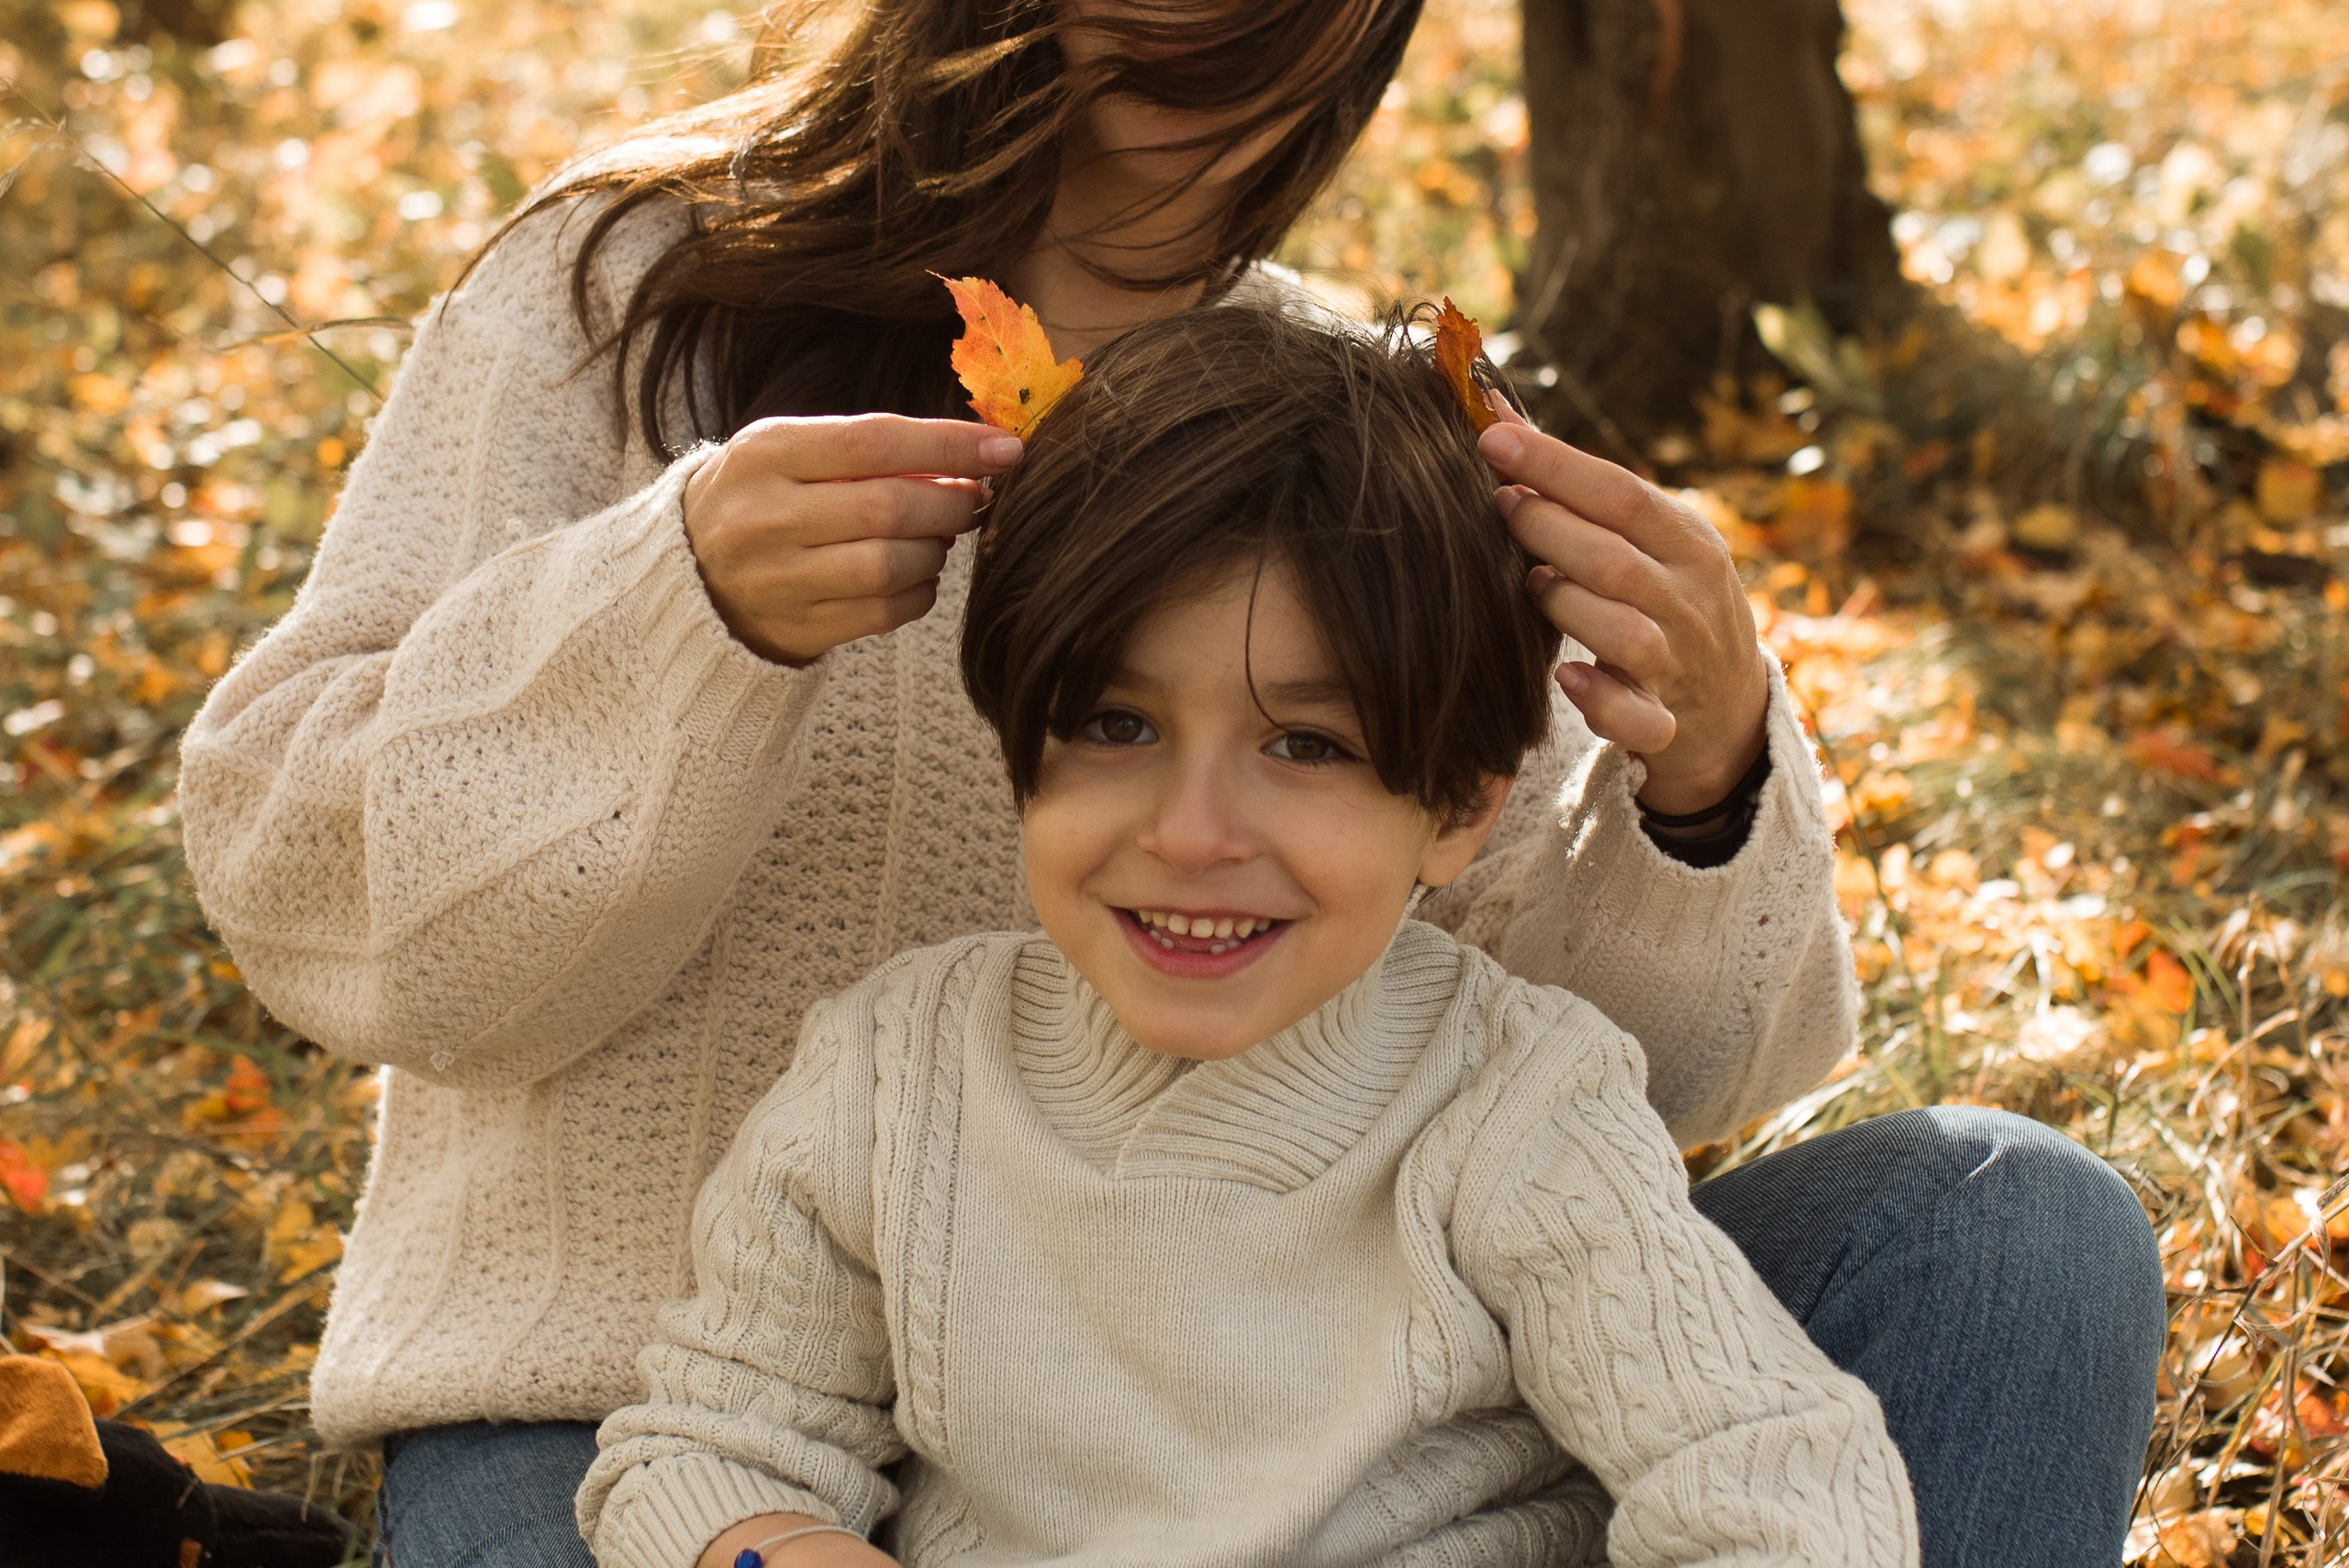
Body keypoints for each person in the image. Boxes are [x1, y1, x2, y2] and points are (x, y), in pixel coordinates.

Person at [173, 0, 2162, 1561]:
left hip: (1293, 1436)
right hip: (642, 1420)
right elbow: (316, 910)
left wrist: (1702, 775)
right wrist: (669, 613)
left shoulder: (1350, 437)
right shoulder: (627, 294)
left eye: (1289, 743)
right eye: (1115, 724)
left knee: (2004, 1228)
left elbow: (1616, 1087)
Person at [577, 304, 1920, 1568]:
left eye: (1306, 744)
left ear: (1456, 807)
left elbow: (1768, 1477)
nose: (1195, 827)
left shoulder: (1517, 1105)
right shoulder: (890, 1077)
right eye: (1117, 725)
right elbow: (713, 1452)